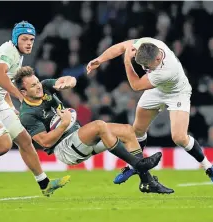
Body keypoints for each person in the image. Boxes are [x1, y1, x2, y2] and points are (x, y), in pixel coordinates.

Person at [87, 37, 213, 187]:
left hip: (177, 93)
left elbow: (136, 85)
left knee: (179, 137)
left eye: (148, 66)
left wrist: (127, 61)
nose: (147, 67)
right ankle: (135, 165)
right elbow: (121, 46)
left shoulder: (166, 70)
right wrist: (100, 59)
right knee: (137, 130)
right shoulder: (146, 44)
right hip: (157, 90)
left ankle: (208, 167)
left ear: (158, 58)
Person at [14, 66, 174, 194]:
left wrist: (70, 82)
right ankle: (139, 164)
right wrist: (63, 124)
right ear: (23, 92)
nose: (38, 86)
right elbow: (44, 142)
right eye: (33, 85)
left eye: (37, 82)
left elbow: (66, 80)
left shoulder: (45, 87)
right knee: (99, 125)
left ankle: (148, 183)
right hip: (64, 149)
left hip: (79, 137)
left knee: (127, 131)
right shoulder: (27, 114)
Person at [0, 21, 69, 196]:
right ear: (16, 39)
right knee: (4, 144)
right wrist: (21, 98)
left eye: (32, 39)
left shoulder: (17, 54)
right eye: (25, 39)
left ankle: (44, 184)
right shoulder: (8, 51)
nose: (29, 42)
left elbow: (4, 83)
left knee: (24, 140)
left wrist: (10, 106)